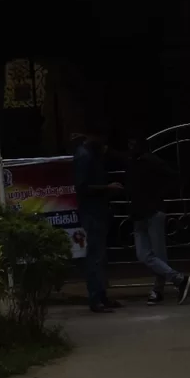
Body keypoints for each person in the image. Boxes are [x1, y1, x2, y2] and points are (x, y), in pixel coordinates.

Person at [126, 135, 190, 305]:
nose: (130, 147)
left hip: (153, 212)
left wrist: (159, 195)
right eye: (129, 144)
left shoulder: (151, 161)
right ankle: (178, 279)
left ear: (143, 146)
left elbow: (175, 177)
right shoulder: (134, 162)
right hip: (139, 214)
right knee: (144, 255)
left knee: (158, 255)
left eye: (134, 143)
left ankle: (158, 290)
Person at [72, 127, 123, 313]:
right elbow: (82, 187)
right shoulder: (84, 155)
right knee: (95, 256)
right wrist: (106, 188)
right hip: (92, 212)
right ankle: (96, 298)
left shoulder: (93, 153)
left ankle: (101, 296)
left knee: (100, 257)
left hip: (98, 210)